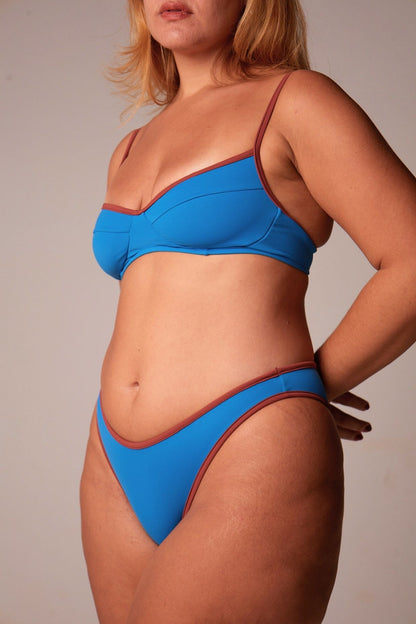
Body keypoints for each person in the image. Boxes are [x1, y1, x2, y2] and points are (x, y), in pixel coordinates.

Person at [80, 1, 416, 622]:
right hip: (115, 458)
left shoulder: (296, 102)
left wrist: (310, 385)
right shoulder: (130, 147)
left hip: (249, 439)